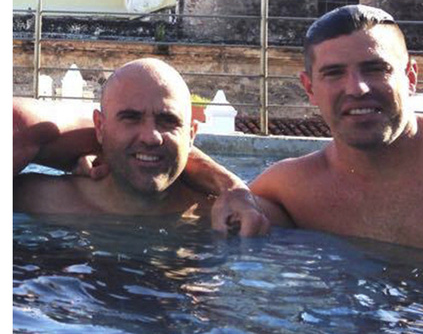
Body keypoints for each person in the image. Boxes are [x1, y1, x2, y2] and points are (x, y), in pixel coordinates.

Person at [250, 5, 423, 251]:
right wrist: (220, 180)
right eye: (333, 73)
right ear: (309, 88)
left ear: (411, 77)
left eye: (376, 69)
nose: (357, 88)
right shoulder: (288, 189)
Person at [14, 58, 270, 236]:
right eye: (131, 118)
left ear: (191, 134)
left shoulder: (237, 217)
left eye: (168, 121)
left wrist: (232, 188)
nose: (151, 137)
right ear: (99, 127)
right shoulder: (32, 201)